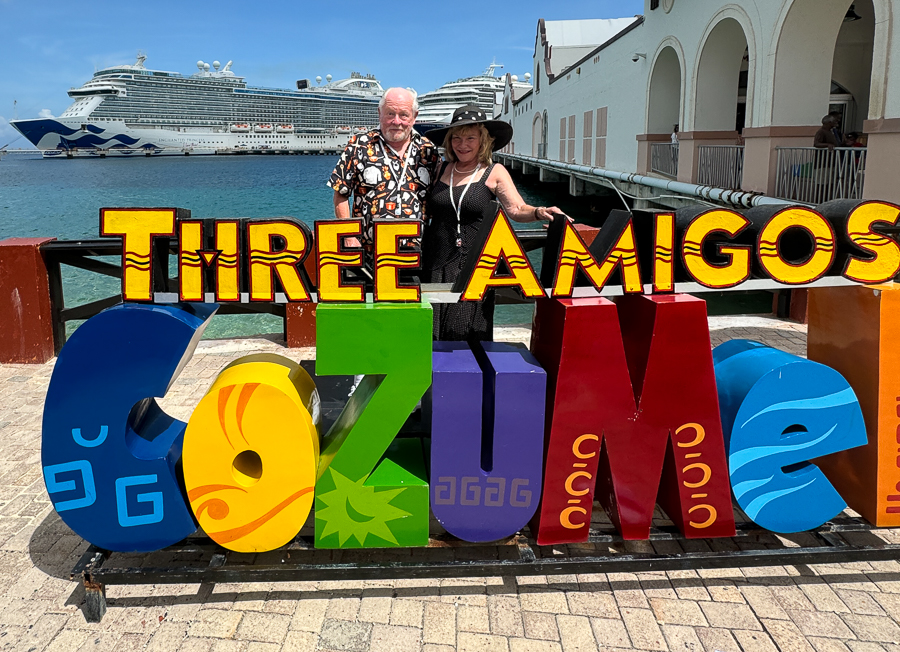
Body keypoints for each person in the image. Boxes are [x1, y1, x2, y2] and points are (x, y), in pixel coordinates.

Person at [422, 104, 564, 342]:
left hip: (474, 264)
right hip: (436, 259)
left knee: (463, 330)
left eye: (470, 137)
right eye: (456, 138)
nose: (462, 144)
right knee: (431, 330)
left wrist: (540, 211)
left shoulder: (494, 171)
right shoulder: (441, 169)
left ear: (483, 140)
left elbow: (517, 209)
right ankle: (433, 379)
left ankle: (469, 379)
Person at [327, 87, 440, 251]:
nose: (396, 121)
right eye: (390, 114)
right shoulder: (360, 145)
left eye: (403, 115)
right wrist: (349, 236)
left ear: (414, 117)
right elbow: (340, 193)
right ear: (379, 112)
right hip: (371, 252)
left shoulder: (428, 150)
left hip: (419, 251)